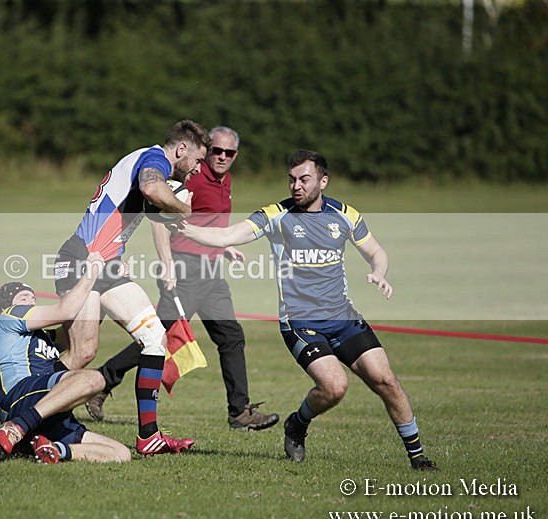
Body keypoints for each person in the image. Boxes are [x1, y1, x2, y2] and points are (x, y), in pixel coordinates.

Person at [173, 149, 439, 471]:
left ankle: (418, 458)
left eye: (304, 179)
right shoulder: (276, 215)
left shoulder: (345, 215)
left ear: (323, 181)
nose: (296, 186)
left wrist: (379, 272)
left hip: (343, 318)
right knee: (335, 387)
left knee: (386, 381)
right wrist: (187, 229)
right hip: (300, 324)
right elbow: (228, 234)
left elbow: (375, 251)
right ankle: (297, 424)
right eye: (292, 179)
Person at [86, 126, 280, 431]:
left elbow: (208, 225)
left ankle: (240, 413)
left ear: (236, 155)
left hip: (211, 273)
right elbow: (159, 221)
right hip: (185, 271)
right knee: (158, 336)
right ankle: (103, 380)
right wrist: (167, 265)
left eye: (229, 153)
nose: (222, 157)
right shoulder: (192, 177)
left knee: (231, 337)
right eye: (216, 151)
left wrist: (224, 248)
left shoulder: (225, 180)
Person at [53, 119, 211, 456]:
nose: (199, 169)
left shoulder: (151, 164)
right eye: (198, 160)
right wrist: (184, 207)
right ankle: (26, 416)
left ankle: (148, 436)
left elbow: (144, 208)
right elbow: (153, 189)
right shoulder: (155, 160)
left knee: (155, 338)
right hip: (82, 259)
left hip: (106, 265)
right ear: (182, 149)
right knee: (81, 353)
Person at [0, 251, 131, 463]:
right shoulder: (8, 317)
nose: (31, 301)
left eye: (33, 297)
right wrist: (91, 272)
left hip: (47, 408)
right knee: (95, 380)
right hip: (20, 398)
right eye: (24, 298)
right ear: (7, 306)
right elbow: (67, 311)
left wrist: (106, 283)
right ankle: (18, 427)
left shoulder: (42, 336)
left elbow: (83, 335)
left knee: (121, 454)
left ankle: (52, 448)